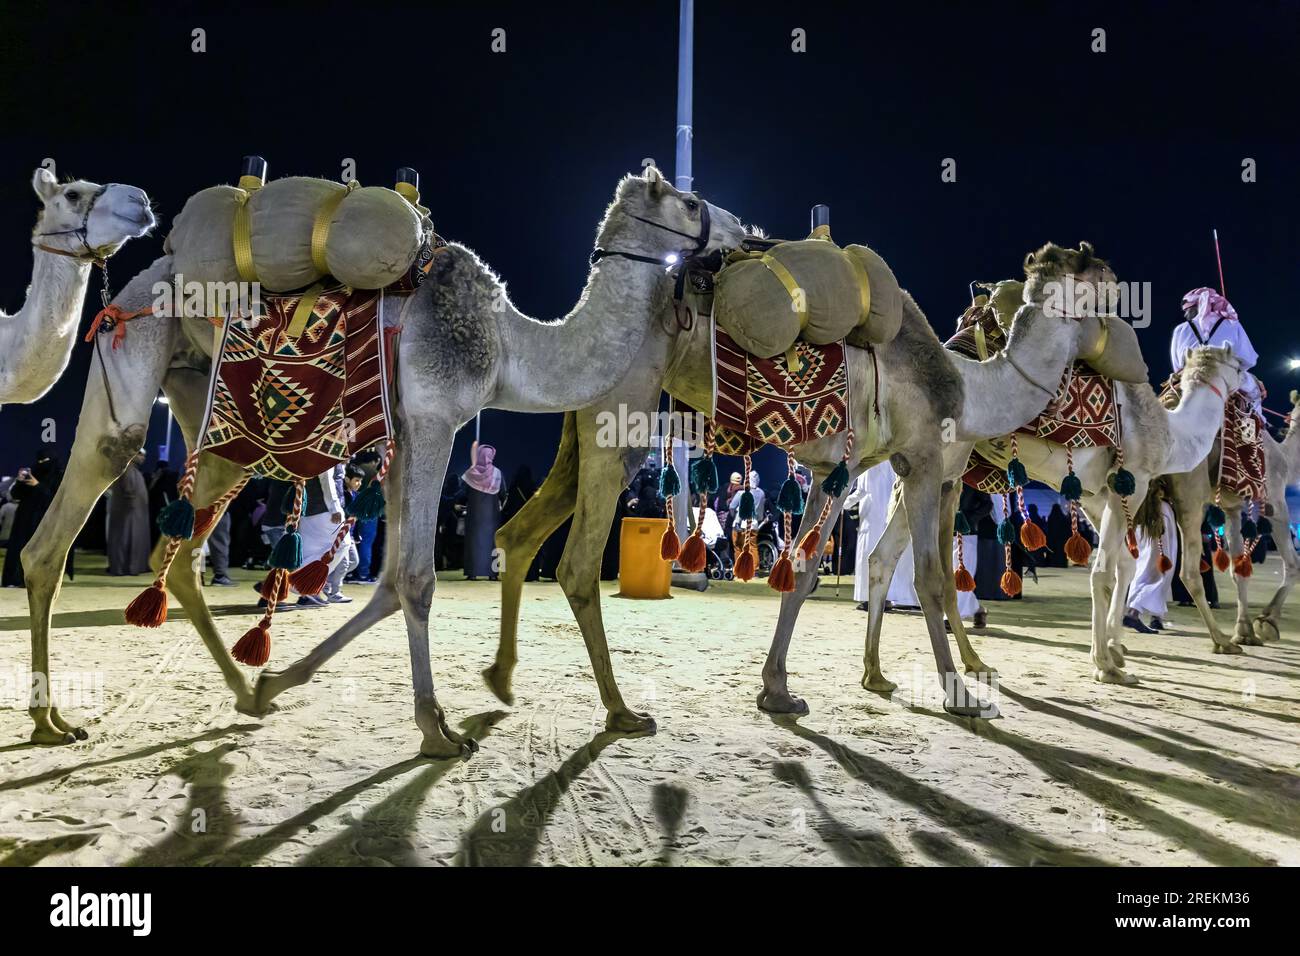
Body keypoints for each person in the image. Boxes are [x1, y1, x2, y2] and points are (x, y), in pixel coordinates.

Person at [1170, 288, 1261, 412]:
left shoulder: (1180, 329)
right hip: (1224, 376)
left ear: (1197, 307)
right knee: (1256, 391)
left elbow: (1177, 366)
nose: (1185, 315)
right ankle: (1260, 421)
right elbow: (1249, 360)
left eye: (1187, 310)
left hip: (1190, 375)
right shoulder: (1232, 325)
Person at [2, 455, 62, 588]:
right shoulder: (33, 473)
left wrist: (37, 485)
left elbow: (54, 500)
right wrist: (19, 481)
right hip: (24, 518)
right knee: (18, 549)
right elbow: (15, 495)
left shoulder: (57, 478)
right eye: (39, 461)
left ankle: (34, 581)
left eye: (45, 461)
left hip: (43, 521)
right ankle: (13, 579)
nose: (41, 464)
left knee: (37, 552)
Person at [1126, 490, 1178, 632]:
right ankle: (1134, 611)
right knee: (1159, 567)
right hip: (1158, 510)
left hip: (1140, 508)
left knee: (1143, 564)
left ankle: (1156, 617)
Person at [459, 441, 504, 581]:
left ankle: (472, 573)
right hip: (492, 517)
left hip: (474, 517)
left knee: (473, 543)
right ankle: (494, 574)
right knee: (493, 543)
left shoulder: (470, 473)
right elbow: (503, 493)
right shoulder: (498, 473)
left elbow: (462, 495)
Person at [105, 452, 152, 576]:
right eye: (141, 455)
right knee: (125, 540)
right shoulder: (127, 470)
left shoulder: (132, 470)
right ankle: (126, 568)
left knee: (132, 540)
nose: (143, 458)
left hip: (135, 514)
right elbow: (128, 491)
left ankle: (133, 566)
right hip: (128, 514)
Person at [1045, 503, 1071, 568]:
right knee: (1061, 552)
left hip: (1052, 539)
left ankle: (1052, 563)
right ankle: (1061, 563)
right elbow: (1067, 529)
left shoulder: (1051, 517)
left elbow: (1049, 528)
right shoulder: (1063, 517)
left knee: (1053, 551)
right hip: (1061, 540)